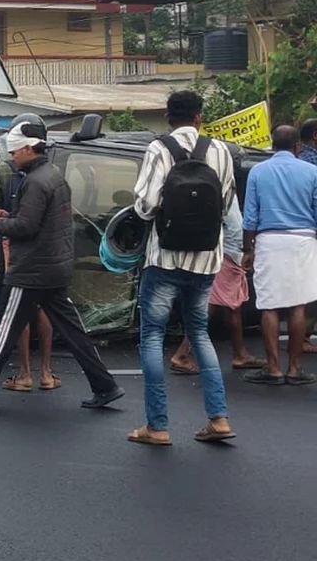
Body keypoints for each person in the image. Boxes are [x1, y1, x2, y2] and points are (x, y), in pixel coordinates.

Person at [0, 120, 123, 409]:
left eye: (15, 152)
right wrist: (10, 215)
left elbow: (26, 227)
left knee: (3, 331)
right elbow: (41, 220)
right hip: (55, 266)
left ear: (29, 148)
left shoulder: (34, 182)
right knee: (74, 331)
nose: (11, 157)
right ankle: (105, 385)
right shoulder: (53, 175)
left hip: (30, 270)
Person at [127, 90, 235, 445]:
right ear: (200, 116)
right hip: (206, 259)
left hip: (166, 258)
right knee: (200, 333)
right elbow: (227, 202)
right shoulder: (220, 150)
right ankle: (218, 419)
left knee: (153, 336)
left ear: (167, 116)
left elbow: (145, 206)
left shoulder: (159, 149)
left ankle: (157, 426)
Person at [241, 124, 317, 386]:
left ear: (273, 145)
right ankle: (294, 369)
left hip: (268, 240)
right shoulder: (312, 172)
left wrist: (247, 249)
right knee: (299, 304)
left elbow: (250, 215)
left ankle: (273, 368)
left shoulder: (258, 171)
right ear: (298, 147)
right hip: (303, 240)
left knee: (269, 305)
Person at [0, 119, 58, 392]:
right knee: (44, 309)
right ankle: (47, 373)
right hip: (46, 250)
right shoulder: (51, 170)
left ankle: (25, 373)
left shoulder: (3, 169)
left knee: (17, 310)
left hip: (15, 247)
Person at [168, 197, 266, 374]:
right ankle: (181, 354)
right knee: (211, 306)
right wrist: (245, 252)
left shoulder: (201, 189)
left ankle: (240, 353)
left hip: (208, 251)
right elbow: (236, 227)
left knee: (232, 304)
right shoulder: (226, 189)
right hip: (227, 254)